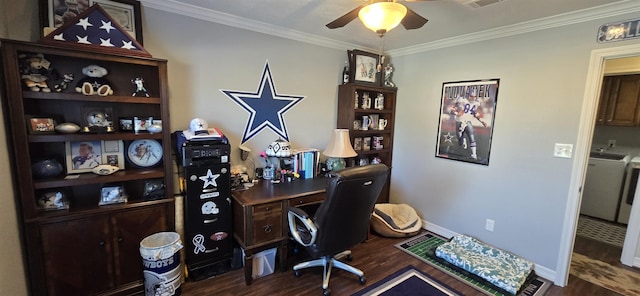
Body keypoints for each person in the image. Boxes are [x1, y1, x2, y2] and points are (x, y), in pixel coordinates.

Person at [449, 90, 487, 160]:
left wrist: (482, 121)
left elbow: (474, 113)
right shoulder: (462, 100)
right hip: (460, 121)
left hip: (465, 121)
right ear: (468, 95)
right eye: (471, 96)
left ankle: (474, 155)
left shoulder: (475, 103)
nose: (473, 98)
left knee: (471, 137)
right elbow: (454, 110)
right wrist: (456, 112)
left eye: (474, 96)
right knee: (461, 143)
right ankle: (463, 140)